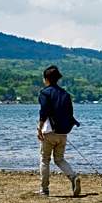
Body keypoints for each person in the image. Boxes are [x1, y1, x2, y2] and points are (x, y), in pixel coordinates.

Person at [37, 65, 81, 196]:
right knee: (60, 159)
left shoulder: (45, 93)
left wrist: (39, 128)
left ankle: (44, 190)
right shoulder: (66, 94)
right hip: (63, 133)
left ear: (46, 79)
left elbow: (43, 112)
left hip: (49, 132)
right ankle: (73, 177)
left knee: (45, 159)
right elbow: (70, 113)